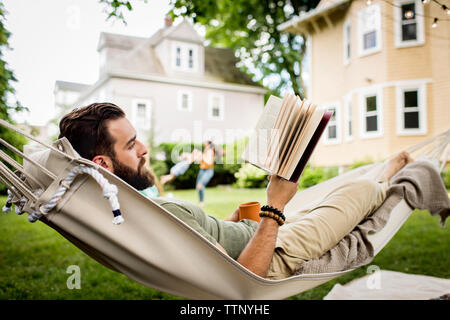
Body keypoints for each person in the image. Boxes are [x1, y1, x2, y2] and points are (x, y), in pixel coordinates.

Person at [59, 102, 413, 279]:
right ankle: (386, 175)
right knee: (360, 190)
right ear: (103, 164)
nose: (144, 150)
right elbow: (246, 281)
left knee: (329, 195)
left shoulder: (131, 211)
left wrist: (229, 222)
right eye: (132, 144)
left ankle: (378, 175)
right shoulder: (148, 219)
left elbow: (205, 245)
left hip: (262, 232)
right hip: (276, 249)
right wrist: (274, 207)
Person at [196, 140, 215, 206]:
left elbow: (209, 162)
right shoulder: (205, 151)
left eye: (206, 143)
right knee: (198, 186)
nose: (204, 144)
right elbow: (199, 161)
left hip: (208, 170)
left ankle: (202, 202)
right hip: (202, 170)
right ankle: (201, 201)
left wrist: (202, 155)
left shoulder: (210, 151)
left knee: (200, 185)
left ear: (209, 145)